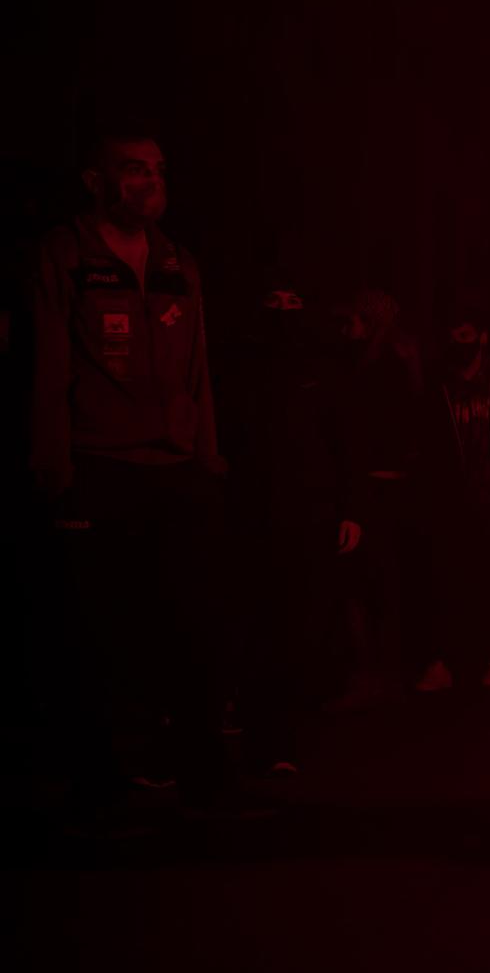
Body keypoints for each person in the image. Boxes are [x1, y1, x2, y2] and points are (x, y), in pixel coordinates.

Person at [29, 126, 238, 824]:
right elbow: (47, 365)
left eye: (157, 168)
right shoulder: (65, 256)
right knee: (98, 628)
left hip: (175, 469)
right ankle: (99, 774)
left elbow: (199, 367)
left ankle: (200, 766)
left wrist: (207, 456)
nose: (149, 181)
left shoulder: (180, 262)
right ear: (95, 180)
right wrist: (52, 463)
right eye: (132, 169)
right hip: (98, 463)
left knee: (191, 621)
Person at [227, 275, 360, 775]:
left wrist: (351, 508)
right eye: (274, 299)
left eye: (295, 301)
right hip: (251, 511)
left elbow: (345, 439)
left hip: (310, 514)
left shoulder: (324, 368)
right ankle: (262, 730)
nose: (285, 311)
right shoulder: (240, 367)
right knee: (257, 622)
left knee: (298, 625)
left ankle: (281, 732)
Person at [413, 306, 490, 692]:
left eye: (465, 336)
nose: (458, 344)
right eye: (453, 336)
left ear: (482, 337)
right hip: (453, 503)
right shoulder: (438, 388)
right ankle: (449, 658)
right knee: (451, 580)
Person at [328, 288, 424, 706]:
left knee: (369, 581)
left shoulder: (378, 367)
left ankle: (372, 674)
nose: (344, 330)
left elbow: (364, 430)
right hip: (390, 483)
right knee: (382, 582)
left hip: (376, 484)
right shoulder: (396, 363)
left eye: (351, 321)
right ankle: (382, 672)